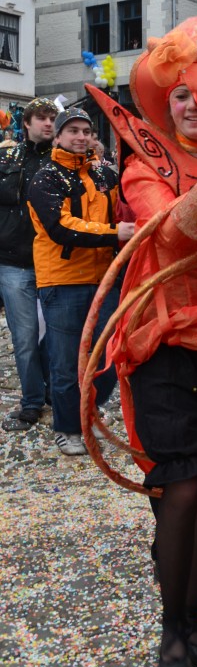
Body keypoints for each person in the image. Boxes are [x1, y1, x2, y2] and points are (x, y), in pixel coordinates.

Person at [86, 16, 197, 667]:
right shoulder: (143, 162)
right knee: (180, 487)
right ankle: (170, 626)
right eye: (178, 94)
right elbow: (176, 231)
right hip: (159, 338)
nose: (190, 103)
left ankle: (193, 615)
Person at [27, 108, 134, 455]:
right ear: (57, 136)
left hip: (106, 278)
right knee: (64, 360)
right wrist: (114, 233)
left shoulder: (106, 174)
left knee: (107, 356)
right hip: (63, 280)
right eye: (72, 130)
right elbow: (61, 228)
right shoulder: (46, 178)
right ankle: (68, 427)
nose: (81, 136)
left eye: (86, 131)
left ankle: (90, 413)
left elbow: (127, 208)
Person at [0, 98, 57, 432]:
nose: (48, 124)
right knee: (25, 337)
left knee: (56, 337)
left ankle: (55, 394)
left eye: (52, 119)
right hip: (13, 262)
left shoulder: (61, 160)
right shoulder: (6, 157)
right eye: (42, 118)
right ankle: (32, 402)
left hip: (53, 262)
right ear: (28, 123)